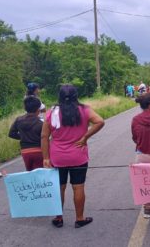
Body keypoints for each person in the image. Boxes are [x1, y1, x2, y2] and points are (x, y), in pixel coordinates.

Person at [41, 84, 105, 228]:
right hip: (78, 156)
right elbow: (100, 121)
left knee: (59, 187)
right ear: (76, 96)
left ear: (60, 96)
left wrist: (45, 157)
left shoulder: (52, 112)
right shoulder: (84, 110)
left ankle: (59, 218)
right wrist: (85, 137)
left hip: (57, 157)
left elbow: (44, 136)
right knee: (78, 187)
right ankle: (79, 218)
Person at [8, 96, 43, 171]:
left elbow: (11, 133)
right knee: (40, 174)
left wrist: (22, 137)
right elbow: (44, 137)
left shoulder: (19, 120)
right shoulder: (40, 122)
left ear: (25, 108)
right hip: (38, 151)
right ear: (38, 109)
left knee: (29, 173)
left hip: (25, 151)